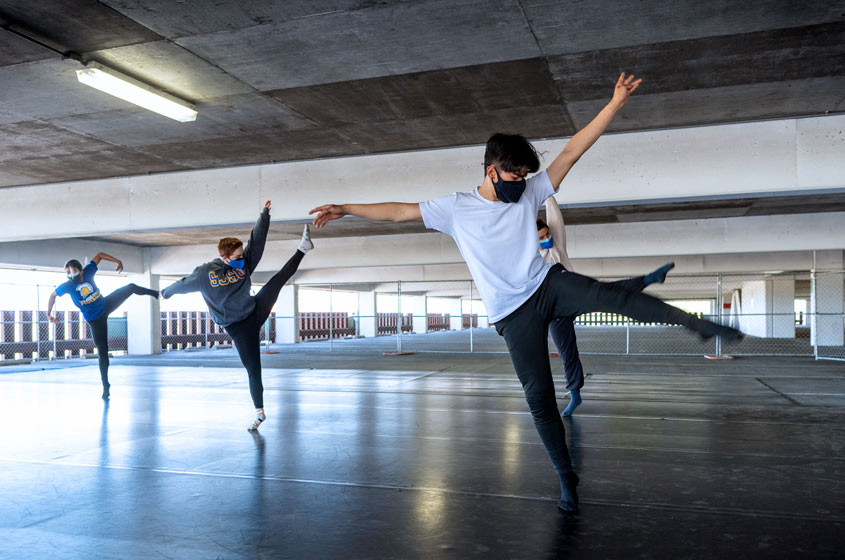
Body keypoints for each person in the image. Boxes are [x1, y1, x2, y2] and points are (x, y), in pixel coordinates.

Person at [309, 73, 743, 513]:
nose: (522, 182)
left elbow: (573, 149)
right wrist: (347, 208)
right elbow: (400, 212)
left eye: (525, 175)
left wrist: (614, 104)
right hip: (511, 313)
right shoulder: (455, 208)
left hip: (546, 284)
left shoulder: (531, 189)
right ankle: (565, 477)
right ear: (490, 170)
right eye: (514, 175)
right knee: (539, 397)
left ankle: (699, 326)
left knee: (612, 298)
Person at [160, 201, 314, 431]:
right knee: (253, 369)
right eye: (238, 256)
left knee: (278, 280)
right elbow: (183, 284)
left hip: (254, 309)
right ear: (225, 258)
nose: (243, 258)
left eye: (243, 254)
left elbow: (256, 243)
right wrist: (166, 292)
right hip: (239, 327)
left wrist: (264, 216)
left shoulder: (243, 265)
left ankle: (303, 247)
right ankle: (260, 413)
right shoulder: (205, 274)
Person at [537, 202, 675, 416]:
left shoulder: (558, 248)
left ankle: (650, 278)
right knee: (567, 352)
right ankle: (575, 395)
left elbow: (556, 221)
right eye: (541, 237)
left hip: (574, 296)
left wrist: (547, 197)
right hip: (555, 311)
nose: (547, 239)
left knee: (609, 293)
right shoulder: (531, 259)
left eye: (547, 234)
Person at [47, 252, 159, 399]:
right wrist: (49, 314)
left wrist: (117, 260)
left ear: (81, 271)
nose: (71, 278)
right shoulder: (67, 286)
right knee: (102, 351)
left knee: (130, 287)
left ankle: (157, 294)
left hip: (106, 304)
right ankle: (106, 385)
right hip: (95, 320)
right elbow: (52, 295)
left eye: (74, 274)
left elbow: (99, 255)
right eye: (68, 275)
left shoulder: (88, 271)